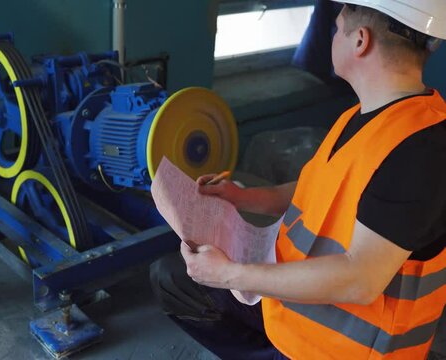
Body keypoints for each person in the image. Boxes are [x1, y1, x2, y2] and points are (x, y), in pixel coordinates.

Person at [150, 1, 446, 358]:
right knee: (172, 277)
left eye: (336, 29)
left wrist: (230, 274)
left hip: (342, 347)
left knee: (206, 282)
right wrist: (244, 198)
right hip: (293, 306)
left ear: (360, 41)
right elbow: (324, 187)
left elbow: (360, 280)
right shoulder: (364, 114)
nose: (331, 36)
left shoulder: (420, 149)